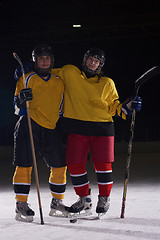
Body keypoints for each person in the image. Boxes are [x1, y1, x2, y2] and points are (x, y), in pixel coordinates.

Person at [15, 47, 142, 217]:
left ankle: (103, 198)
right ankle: (84, 199)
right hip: (76, 127)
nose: (92, 63)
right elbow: (47, 71)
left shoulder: (107, 83)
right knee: (74, 165)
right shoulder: (69, 72)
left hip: (102, 127)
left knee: (102, 165)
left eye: (96, 61)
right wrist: (26, 69)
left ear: (100, 65)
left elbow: (115, 107)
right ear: (84, 60)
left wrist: (128, 107)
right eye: (90, 59)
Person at [13, 44, 68, 222]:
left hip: (50, 128)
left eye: (47, 58)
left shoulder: (59, 82)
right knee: (24, 165)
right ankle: (21, 204)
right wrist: (21, 100)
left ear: (52, 61)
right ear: (35, 61)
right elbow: (15, 107)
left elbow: (61, 108)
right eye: (40, 58)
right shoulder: (26, 78)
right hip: (29, 124)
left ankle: (57, 203)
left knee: (60, 166)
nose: (44, 61)